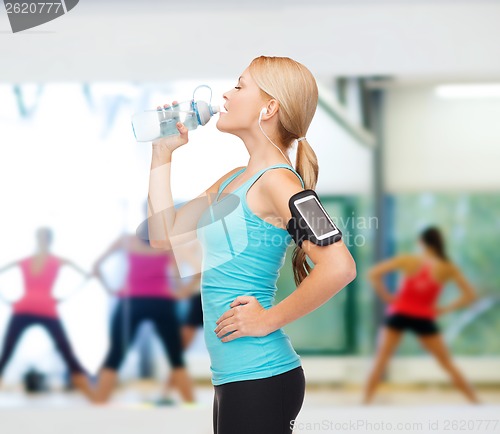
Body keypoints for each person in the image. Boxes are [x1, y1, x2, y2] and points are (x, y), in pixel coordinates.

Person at [147, 55, 356, 434]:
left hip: (261, 376)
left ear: (269, 107)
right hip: (233, 378)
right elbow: (165, 235)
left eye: (240, 86)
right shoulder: (233, 180)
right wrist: (162, 154)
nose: (226, 94)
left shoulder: (279, 183)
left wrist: (267, 319)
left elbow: (340, 266)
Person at [363, 226, 480, 404]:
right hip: (423, 317)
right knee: (447, 363)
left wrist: (387, 296)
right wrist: (444, 309)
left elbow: (373, 273)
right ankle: (476, 403)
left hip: (399, 313)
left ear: (422, 242)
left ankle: (365, 404)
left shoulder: (409, 260)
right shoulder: (447, 267)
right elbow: (470, 295)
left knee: (381, 360)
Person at [90, 232, 195, 404]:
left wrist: (110, 289)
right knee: (176, 356)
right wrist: (181, 292)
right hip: (161, 303)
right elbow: (179, 282)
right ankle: (192, 406)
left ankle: (99, 404)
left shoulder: (126, 241)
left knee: (115, 354)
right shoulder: (167, 244)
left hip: (131, 302)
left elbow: (96, 266)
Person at [0, 227, 93, 398]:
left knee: (66, 351)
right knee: (6, 352)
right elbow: (88, 276)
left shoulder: (55, 260)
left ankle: (90, 393)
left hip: (45, 309)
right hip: (25, 308)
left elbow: (88, 275)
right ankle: (91, 393)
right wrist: (5, 299)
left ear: (50, 239)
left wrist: (65, 296)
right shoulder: (27, 260)